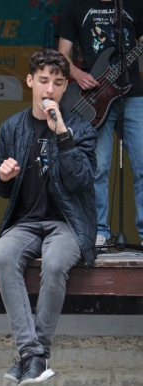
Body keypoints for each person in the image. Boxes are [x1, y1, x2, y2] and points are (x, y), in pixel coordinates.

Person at [0, 49, 97, 386]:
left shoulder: (81, 128)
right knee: (5, 253)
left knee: (54, 263)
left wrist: (62, 133)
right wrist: (3, 176)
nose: (50, 89)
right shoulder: (11, 127)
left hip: (67, 223)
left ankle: (35, 356)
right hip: (25, 221)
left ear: (66, 87)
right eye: (44, 81)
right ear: (30, 81)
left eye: (58, 82)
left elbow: (81, 181)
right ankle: (33, 355)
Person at [56, 0, 143, 246]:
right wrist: (78, 74)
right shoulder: (75, 7)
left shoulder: (134, 4)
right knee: (98, 166)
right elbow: (62, 55)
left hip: (133, 94)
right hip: (93, 96)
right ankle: (100, 232)